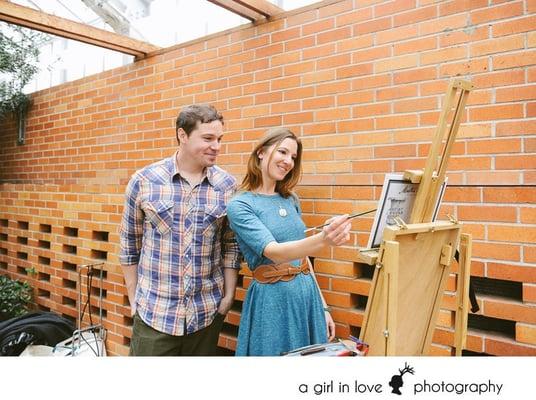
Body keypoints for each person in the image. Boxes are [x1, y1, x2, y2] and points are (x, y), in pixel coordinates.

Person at [119, 104, 241, 356]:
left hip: (206, 314)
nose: (216, 146)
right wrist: (134, 301)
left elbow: (231, 245)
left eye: (219, 139)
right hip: (155, 313)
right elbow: (129, 244)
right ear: (182, 135)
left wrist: (228, 296)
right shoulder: (144, 181)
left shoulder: (228, 186)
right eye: (207, 138)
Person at [226, 127, 351, 356]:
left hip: (306, 295)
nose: (288, 161)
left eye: (293, 157)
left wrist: (323, 306)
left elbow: (302, 258)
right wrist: (324, 239)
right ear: (261, 152)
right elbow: (274, 252)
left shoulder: (291, 199)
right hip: (273, 301)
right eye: (282, 152)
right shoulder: (240, 205)